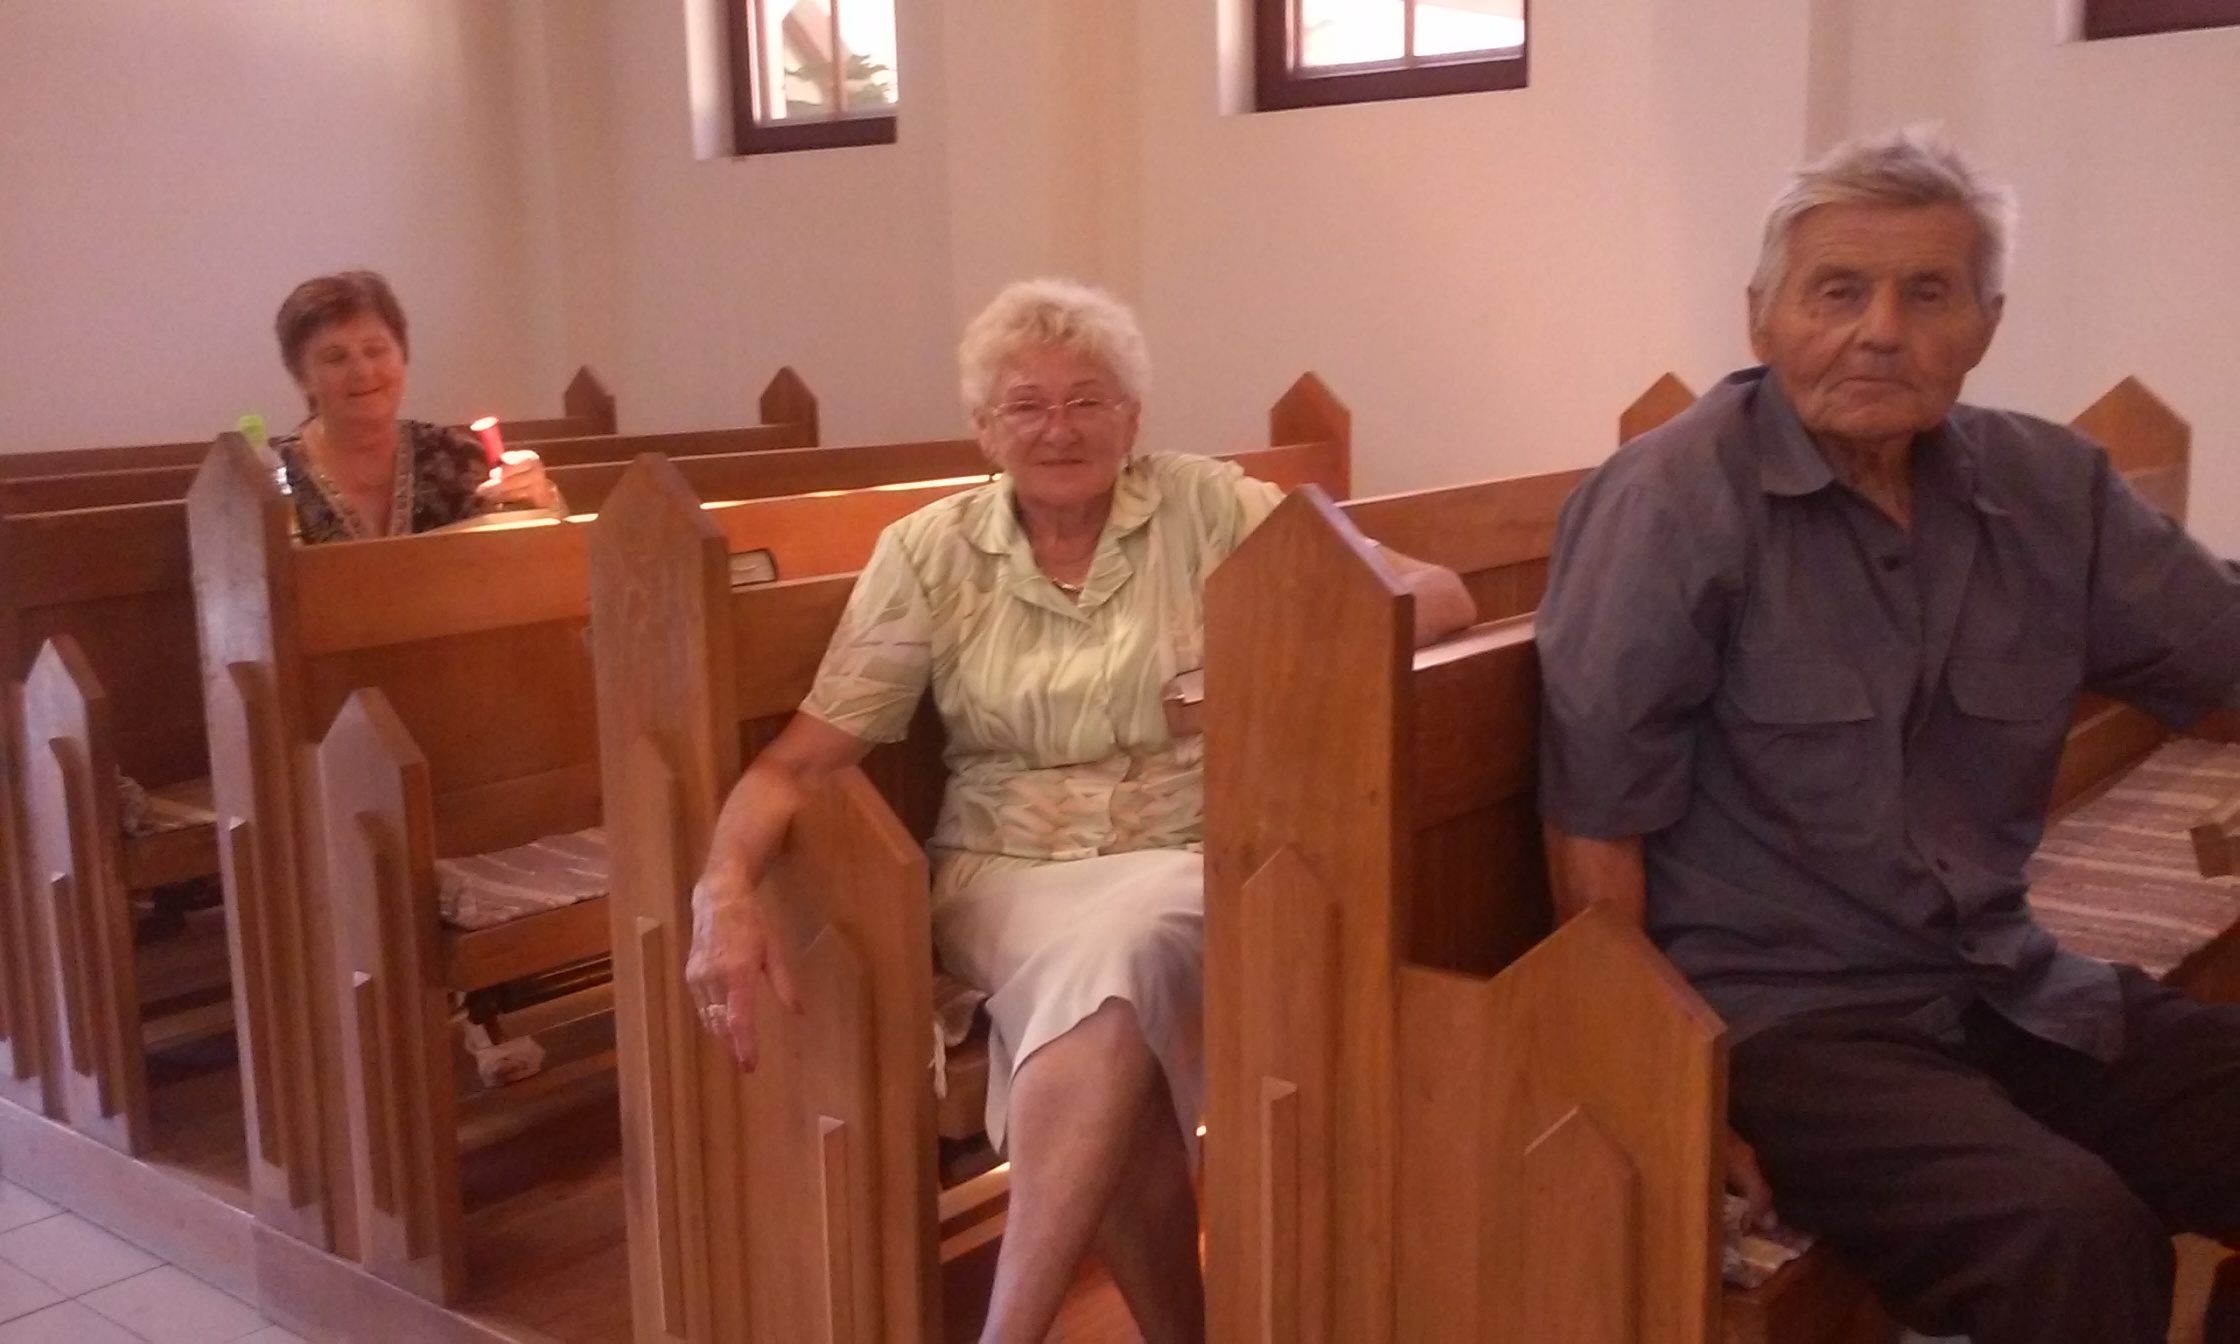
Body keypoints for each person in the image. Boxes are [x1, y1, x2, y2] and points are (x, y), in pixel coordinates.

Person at [1537, 126, 2240, 1344]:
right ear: (1761, 317)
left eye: (1926, 292)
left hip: (2001, 983)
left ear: (1984, 324)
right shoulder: (1671, 501)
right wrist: (1650, 1084)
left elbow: (2219, 656)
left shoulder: (2047, 490)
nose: (1878, 330)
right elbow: (1593, 826)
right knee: (2067, 1233)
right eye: (1836, 291)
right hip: (1782, 1023)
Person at [684, 277, 1475, 1344]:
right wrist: (723, 884)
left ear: (1132, 417)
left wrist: (1267, 666)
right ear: (983, 427)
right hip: (1002, 872)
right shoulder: (930, 552)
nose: (1059, 428)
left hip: (1192, 854)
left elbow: (1438, 596)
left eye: (1088, 399)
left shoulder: (1213, 508)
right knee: (1113, 986)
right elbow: (800, 764)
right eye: (1026, 405)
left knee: (1121, 971)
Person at [270, 270, 558, 543]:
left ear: (403, 355)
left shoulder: (459, 459)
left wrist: (541, 503)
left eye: (375, 350)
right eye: (335, 358)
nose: (362, 371)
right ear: (301, 376)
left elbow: (530, 557)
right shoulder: (273, 483)